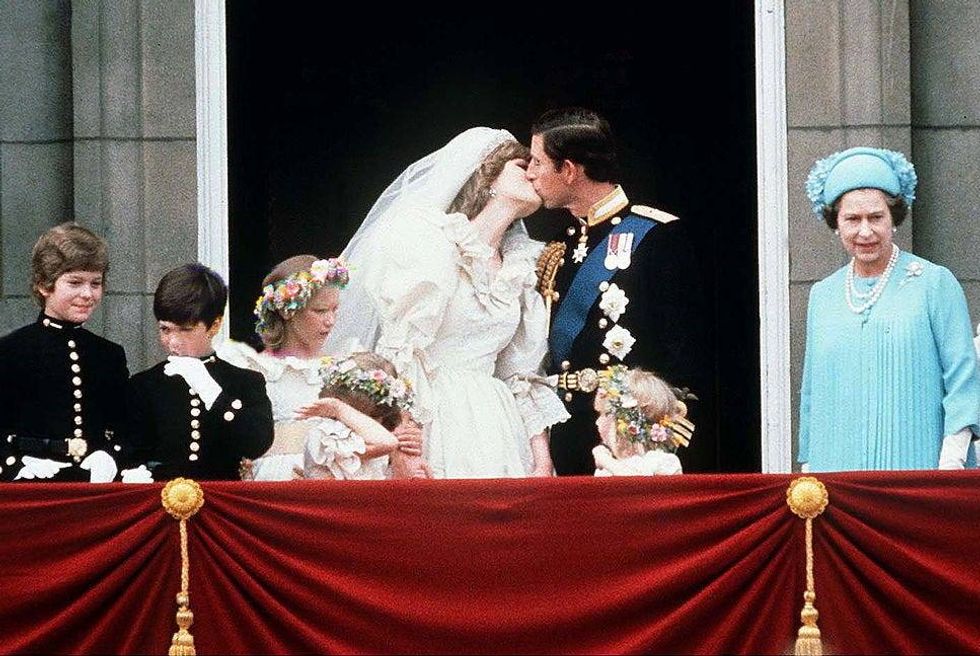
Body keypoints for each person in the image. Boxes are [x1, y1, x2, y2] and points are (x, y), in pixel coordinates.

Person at [325, 127, 569, 478]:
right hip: (434, 414)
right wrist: (403, 441)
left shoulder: (522, 265)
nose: (533, 173)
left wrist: (542, 459)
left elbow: (521, 372)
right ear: (488, 178)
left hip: (496, 424)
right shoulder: (432, 243)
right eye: (521, 165)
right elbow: (403, 349)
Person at [526, 107, 707, 476]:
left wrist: (655, 435)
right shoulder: (558, 248)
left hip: (628, 437)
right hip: (565, 431)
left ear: (569, 170)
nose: (531, 173)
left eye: (537, 162)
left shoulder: (655, 236)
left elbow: (682, 354)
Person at [799, 146, 980, 471]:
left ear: (894, 219)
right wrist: (810, 471)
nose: (865, 231)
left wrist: (949, 465)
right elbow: (813, 396)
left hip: (919, 470)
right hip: (837, 470)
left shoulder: (934, 283)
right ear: (836, 224)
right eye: (852, 219)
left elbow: (964, 381)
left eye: (876, 217)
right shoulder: (822, 295)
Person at [218, 255, 426, 480]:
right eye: (320, 311)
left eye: (334, 310)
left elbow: (383, 422)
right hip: (278, 478)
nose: (330, 320)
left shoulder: (349, 364)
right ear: (288, 311)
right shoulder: (253, 367)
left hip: (344, 476)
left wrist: (401, 433)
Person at [0, 222, 133, 482]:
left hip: (93, 490)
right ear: (44, 284)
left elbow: (126, 429)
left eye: (96, 283)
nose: (88, 294)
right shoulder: (11, 351)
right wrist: (16, 465)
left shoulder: (109, 355)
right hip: (31, 494)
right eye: (75, 282)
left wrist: (110, 455)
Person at [128, 263, 274, 480]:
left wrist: (212, 393)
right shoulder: (144, 385)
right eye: (165, 329)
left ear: (215, 326)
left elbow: (258, 443)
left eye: (186, 330)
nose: (173, 342)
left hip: (221, 504)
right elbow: (130, 450)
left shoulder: (244, 382)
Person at [299, 352, 427, 480]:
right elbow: (387, 443)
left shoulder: (384, 433)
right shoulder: (327, 436)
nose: (374, 423)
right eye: (365, 416)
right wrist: (338, 408)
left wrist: (404, 459)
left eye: (378, 416)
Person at [591, 365, 694, 476]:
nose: (597, 422)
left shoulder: (664, 461)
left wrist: (605, 460)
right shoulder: (607, 469)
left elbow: (636, 482)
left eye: (603, 415)